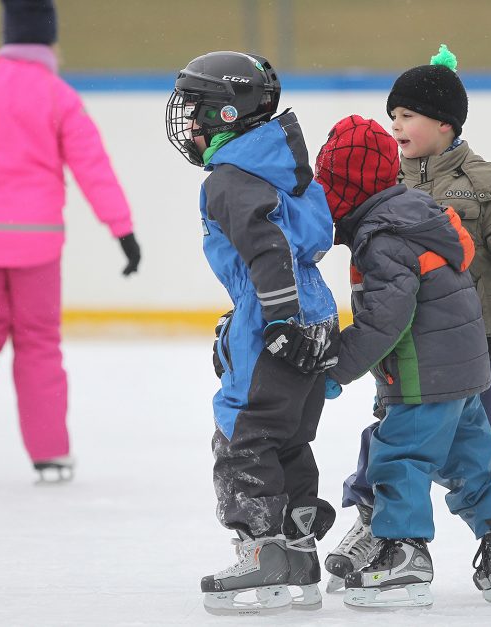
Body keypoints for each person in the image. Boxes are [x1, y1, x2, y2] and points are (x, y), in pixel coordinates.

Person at [324, 45, 491, 592]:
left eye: (408, 116)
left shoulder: (484, 179)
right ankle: (376, 520)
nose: (395, 125)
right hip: (410, 348)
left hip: (482, 335)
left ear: (445, 124)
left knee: (481, 440)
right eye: (392, 115)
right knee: (395, 430)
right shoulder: (386, 182)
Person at [165, 51, 339, 615]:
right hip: (313, 313)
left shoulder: (230, 180)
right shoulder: (283, 172)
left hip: (275, 320)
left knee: (243, 435)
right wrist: (292, 316)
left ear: (229, 114)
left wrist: (279, 318)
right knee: (286, 438)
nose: (188, 123)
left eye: (197, 110)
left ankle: (261, 551)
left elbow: (266, 248)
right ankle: (298, 553)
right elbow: (295, 241)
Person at [0, 0, 141, 482]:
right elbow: (93, 168)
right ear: (49, 41)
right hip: (35, 241)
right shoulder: (59, 96)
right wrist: (122, 231)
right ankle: (50, 454)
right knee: (37, 342)